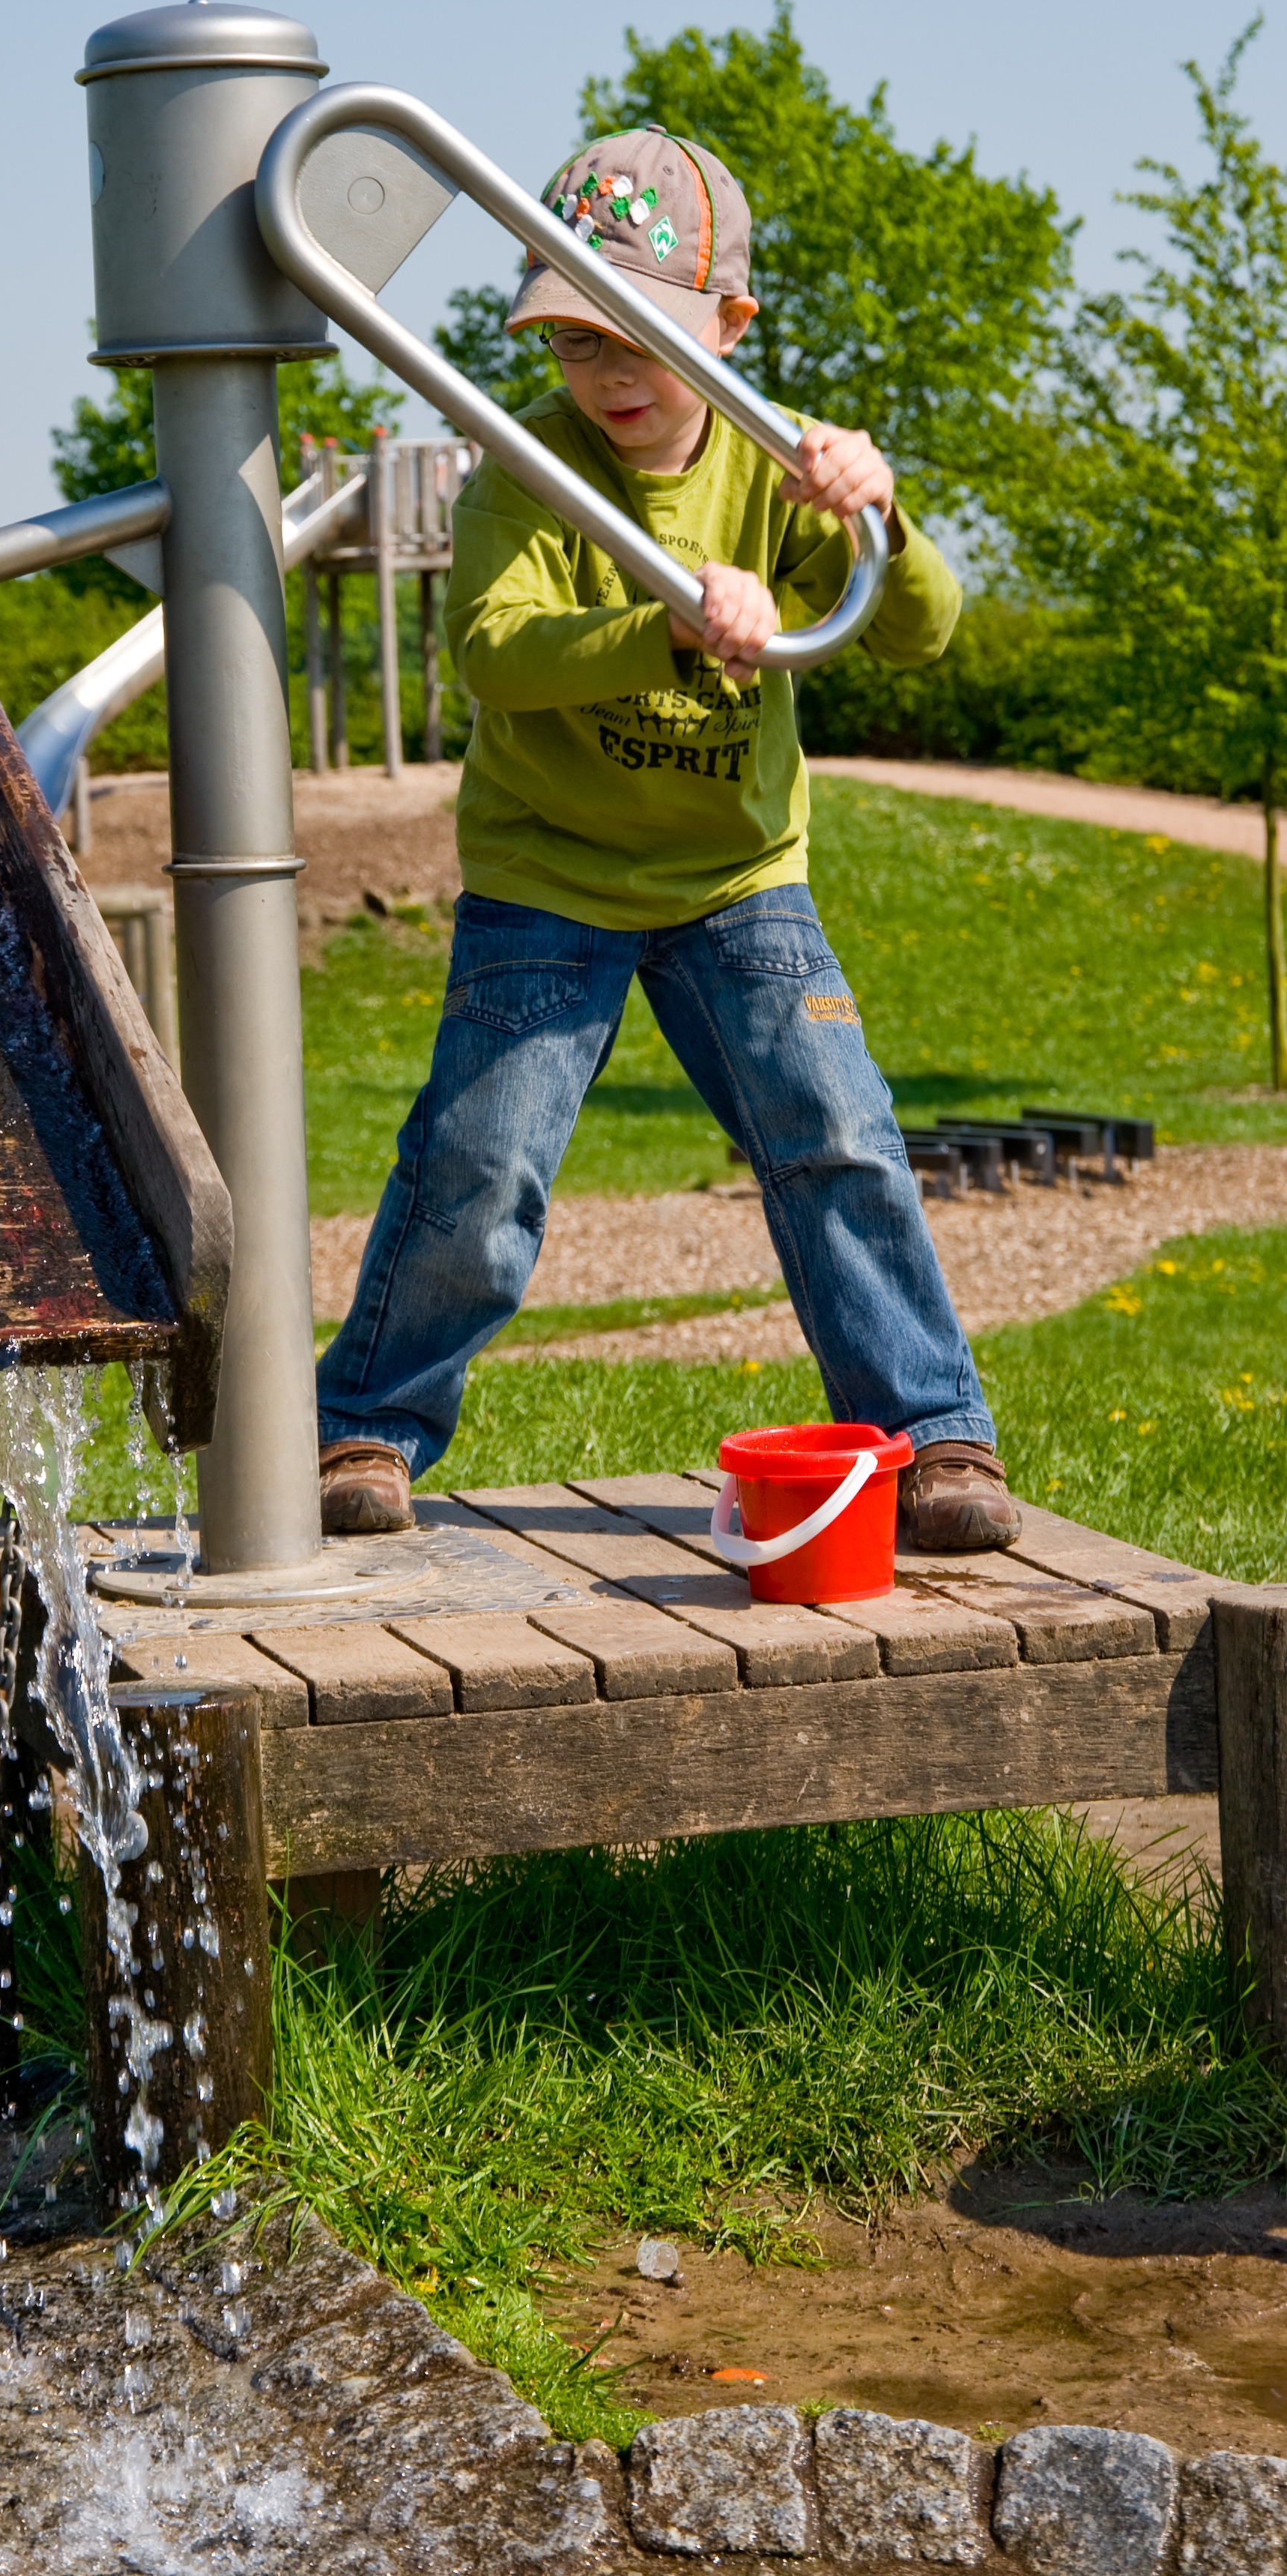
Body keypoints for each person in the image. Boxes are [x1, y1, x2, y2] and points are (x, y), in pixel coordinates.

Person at [315, 125, 1017, 1555]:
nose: (609, 375)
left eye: (638, 336)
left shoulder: (780, 467)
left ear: (728, 326)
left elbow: (925, 629)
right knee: (483, 1167)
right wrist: (672, 623)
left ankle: (933, 1431)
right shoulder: (530, 468)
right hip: (547, 870)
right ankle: (367, 1428)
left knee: (838, 1137)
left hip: (738, 877)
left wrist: (880, 508)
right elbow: (496, 655)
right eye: (575, 340)